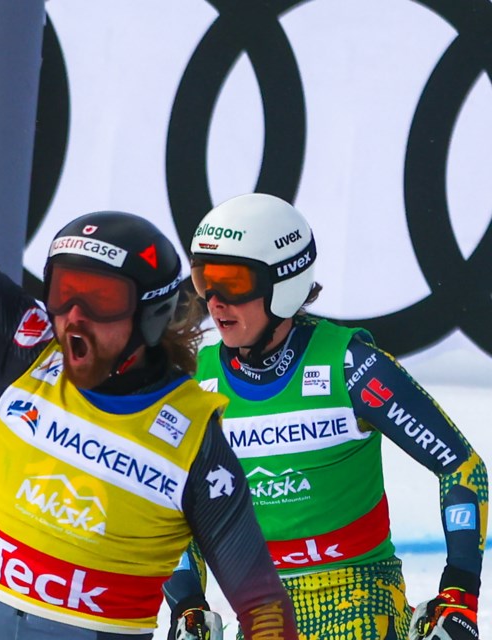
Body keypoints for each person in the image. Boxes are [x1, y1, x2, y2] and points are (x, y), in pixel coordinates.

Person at [0, 17, 298, 639]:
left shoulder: (195, 437)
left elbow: (261, 602)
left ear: (154, 313)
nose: (73, 317)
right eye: (61, 294)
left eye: (101, 300)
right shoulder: (28, 355)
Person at [162, 192, 487, 640]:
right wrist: (188, 606)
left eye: (232, 282)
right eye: (204, 280)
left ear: (284, 282)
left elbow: (460, 465)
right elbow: (169, 496)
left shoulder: (352, 366)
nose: (214, 301)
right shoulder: (200, 379)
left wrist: (459, 593)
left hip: (363, 604)